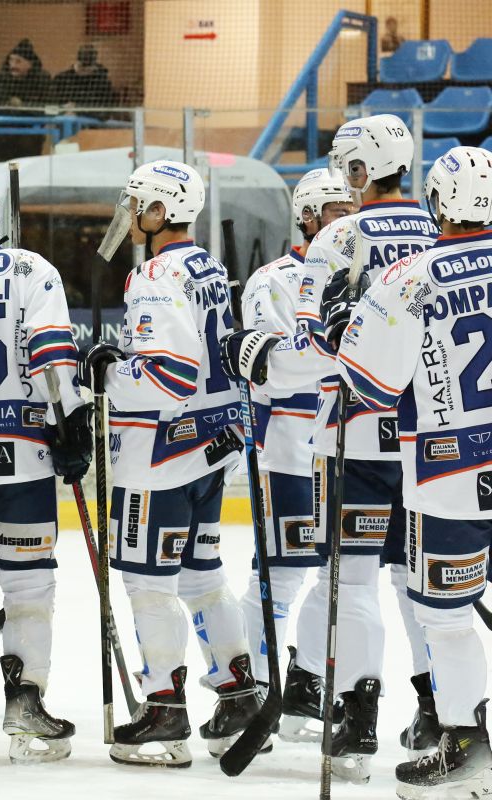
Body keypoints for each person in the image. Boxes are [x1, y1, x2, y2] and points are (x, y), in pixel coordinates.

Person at [219, 114, 438, 783]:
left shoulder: (341, 236)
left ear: (361, 170)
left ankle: (357, 718)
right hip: (435, 443)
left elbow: (315, 354)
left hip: (356, 437)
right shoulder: (443, 236)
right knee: (426, 589)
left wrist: (254, 359)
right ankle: (448, 716)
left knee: (355, 580)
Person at [78, 160, 255, 767]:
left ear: (159, 213)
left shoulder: (154, 276)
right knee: (203, 576)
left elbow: (167, 373)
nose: (128, 216)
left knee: (148, 585)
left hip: (161, 455)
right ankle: (237, 693)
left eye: (136, 205)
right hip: (211, 446)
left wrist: (109, 370)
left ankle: (165, 713)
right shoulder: (206, 265)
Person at [332, 145, 492, 799]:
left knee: (448, 616)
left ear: (437, 204)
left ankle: (468, 749)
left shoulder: (411, 275)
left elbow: (365, 382)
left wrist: (347, 324)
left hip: (447, 473)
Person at [0, 175, 87, 764]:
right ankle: (24, 702)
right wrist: (71, 423)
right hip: (21, 450)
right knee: (29, 584)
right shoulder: (31, 269)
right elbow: (52, 357)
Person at [227, 168, 354, 742]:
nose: (344, 218)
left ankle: (302, 680)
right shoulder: (272, 281)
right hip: (290, 452)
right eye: (332, 210)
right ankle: (255, 685)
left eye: (349, 206)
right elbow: (265, 371)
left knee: (342, 575)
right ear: (307, 217)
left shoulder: (365, 274)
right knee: (279, 576)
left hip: (346, 453)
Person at [0, 39, 52, 163]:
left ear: (30, 64)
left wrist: (23, 106)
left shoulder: (42, 80)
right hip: (2, 139)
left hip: (30, 140)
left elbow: (47, 108)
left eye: (18, 61)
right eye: (11, 60)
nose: (13, 65)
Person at [52, 44, 116, 111]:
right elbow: (54, 101)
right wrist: (65, 109)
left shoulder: (102, 82)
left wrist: (77, 108)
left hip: (90, 117)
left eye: (88, 69)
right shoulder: (62, 78)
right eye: (81, 68)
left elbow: (104, 108)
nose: (84, 72)